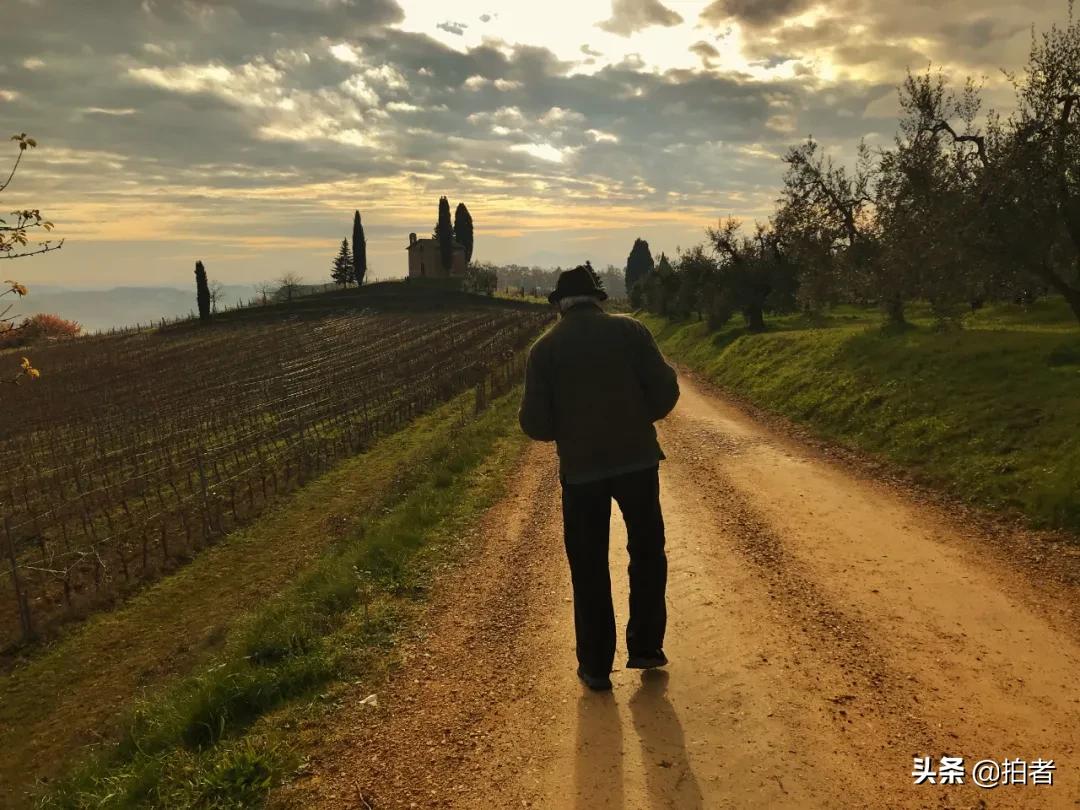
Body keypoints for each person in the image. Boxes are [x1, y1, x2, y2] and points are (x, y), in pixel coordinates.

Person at [518, 264, 680, 691]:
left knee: (588, 564)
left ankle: (595, 666)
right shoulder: (632, 331)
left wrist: (568, 431)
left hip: (581, 472)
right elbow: (666, 390)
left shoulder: (544, 349)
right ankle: (646, 646)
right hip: (638, 462)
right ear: (597, 299)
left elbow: (535, 424)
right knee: (647, 551)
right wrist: (637, 419)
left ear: (560, 305)